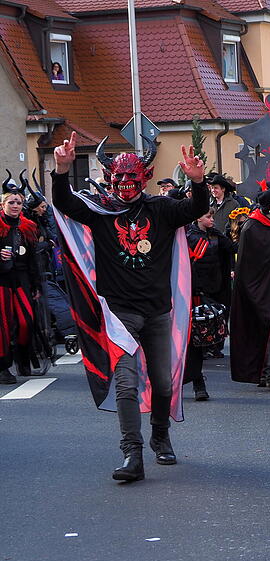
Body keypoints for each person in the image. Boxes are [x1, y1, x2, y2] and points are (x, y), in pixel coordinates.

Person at [51, 131, 209, 482]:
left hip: (157, 311)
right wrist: (61, 170)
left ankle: (160, 435)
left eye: (131, 175)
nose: (124, 182)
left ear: (146, 177)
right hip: (119, 313)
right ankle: (131, 454)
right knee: (125, 382)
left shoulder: (162, 209)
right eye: (118, 176)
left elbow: (196, 209)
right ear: (109, 178)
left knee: (163, 383)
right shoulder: (100, 211)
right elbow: (65, 204)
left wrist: (198, 181)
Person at [230, 185, 270, 390]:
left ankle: (268, 373)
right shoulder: (252, 227)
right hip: (257, 290)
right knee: (268, 332)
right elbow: (248, 265)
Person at [183, 210, 232, 401]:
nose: (211, 220)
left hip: (203, 291)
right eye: (208, 217)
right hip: (184, 293)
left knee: (194, 343)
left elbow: (230, 249)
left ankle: (198, 382)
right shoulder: (188, 237)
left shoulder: (208, 236)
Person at [0, 186, 41, 384]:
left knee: (26, 321)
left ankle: (23, 358)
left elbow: (34, 260)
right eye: (11, 202)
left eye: (18, 202)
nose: (15, 205)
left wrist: (37, 286)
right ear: (3, 204)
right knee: (3, 325)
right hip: (1, 280)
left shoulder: (28, 226)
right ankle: (3, 367)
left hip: (22, 279)